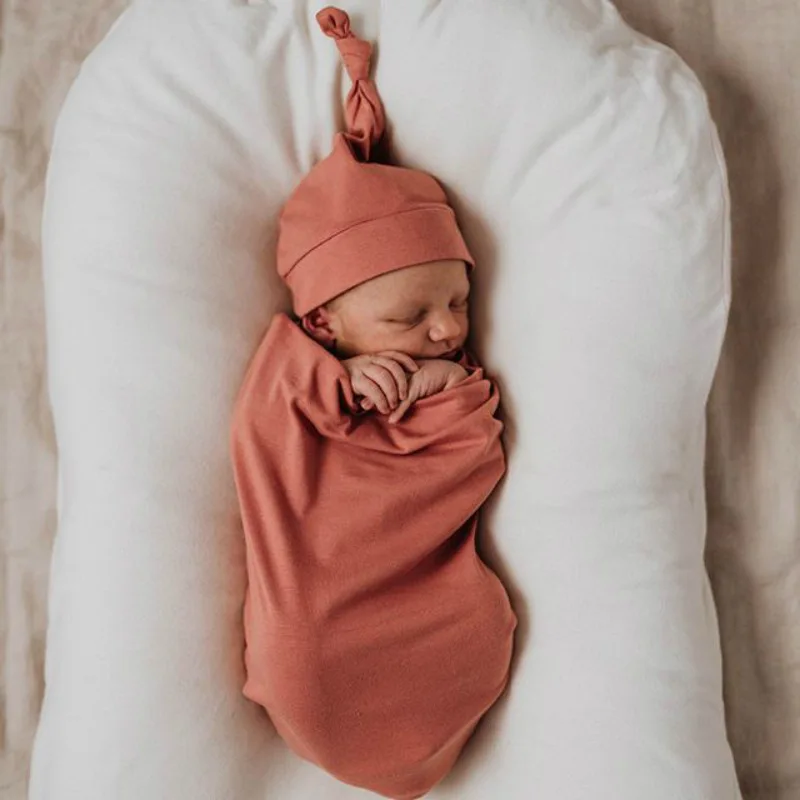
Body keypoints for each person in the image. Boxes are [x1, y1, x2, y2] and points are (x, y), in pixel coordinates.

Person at [230, 8, 517, 798]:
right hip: (321, 613)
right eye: (408, 317)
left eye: (456, 302)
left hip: (428, 605)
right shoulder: (295, 374)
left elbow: (473, 457)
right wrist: (341, 386)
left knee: (471, 630)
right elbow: (264, 434)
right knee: (298, 653)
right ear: (326, 323)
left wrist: (441, 391)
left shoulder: (455, 378)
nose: (445, 329)